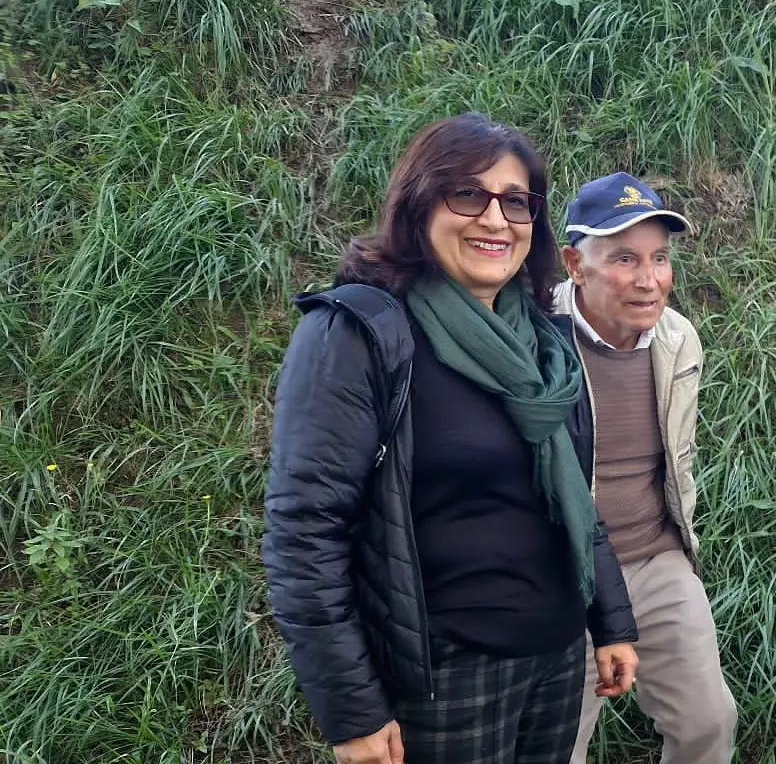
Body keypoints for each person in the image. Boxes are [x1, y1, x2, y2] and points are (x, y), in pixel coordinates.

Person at [263, 112, 640, 764]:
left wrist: (610, 621)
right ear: (419, 204)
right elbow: (305, 530)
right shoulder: (360, 334)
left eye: (516, 201)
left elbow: (575, 495)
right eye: (468, 193)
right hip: (441, 676)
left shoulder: (545, 344)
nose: (495, 219)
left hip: (553, 658)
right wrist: (353, 708)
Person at [553, 172, 738, 764]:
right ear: (575, 264)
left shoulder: (678, 338)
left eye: (659, 258)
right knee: (554, 745)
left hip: (658, 558)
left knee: (709, 722)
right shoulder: (533, 340)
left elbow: (674, 458)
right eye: (624, 258)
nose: (648, 279)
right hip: (560, 575)